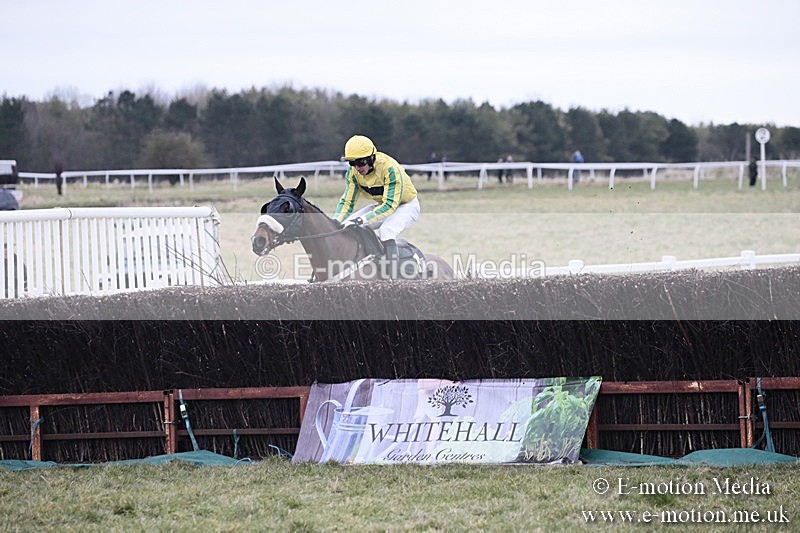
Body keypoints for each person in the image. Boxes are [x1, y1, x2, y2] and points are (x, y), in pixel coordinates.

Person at [336, 134, 420, 279]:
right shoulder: (353, 173)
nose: (357, 168)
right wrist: (335, 221)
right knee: (346, 226)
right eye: (352, 163)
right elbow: (347, 202)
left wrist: (362, 220)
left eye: (361, 163)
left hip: (406, 206)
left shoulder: (390, 168)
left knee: (386, 230)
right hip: (382, 205)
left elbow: (390, 206)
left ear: (371, 158)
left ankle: (394, 278)